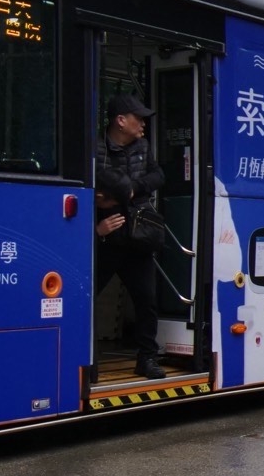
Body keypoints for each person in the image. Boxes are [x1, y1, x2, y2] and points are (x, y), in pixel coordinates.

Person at [96, 93, 166, 380]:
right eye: (139, 118)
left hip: (137, 234)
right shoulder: (94, 148)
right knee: (86, 296)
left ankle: (147, 358)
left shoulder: (142, 147)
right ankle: (86, 360)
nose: (144, 124)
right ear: (120, 121)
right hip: (105, 235)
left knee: (146, 300)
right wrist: (96, 229)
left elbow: (158, 175)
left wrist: (134, 188)